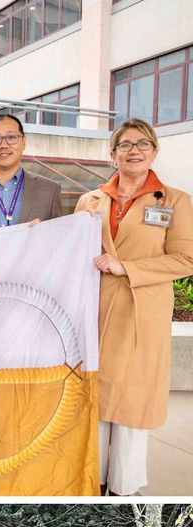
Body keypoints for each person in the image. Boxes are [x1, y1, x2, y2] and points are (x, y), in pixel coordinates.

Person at [74, 118, 193, 496]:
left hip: (141, 313)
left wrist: (127, 267)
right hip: (94, 311)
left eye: (143, 143)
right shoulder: (90, 199)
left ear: (154, 151)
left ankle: (123, 488)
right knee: (95, 399)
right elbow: (70, 250)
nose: (135, 150)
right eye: (125, 144)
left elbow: (186, 259)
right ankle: (94, 480)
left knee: (130, 404)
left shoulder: (174, 201)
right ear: (112, 155)